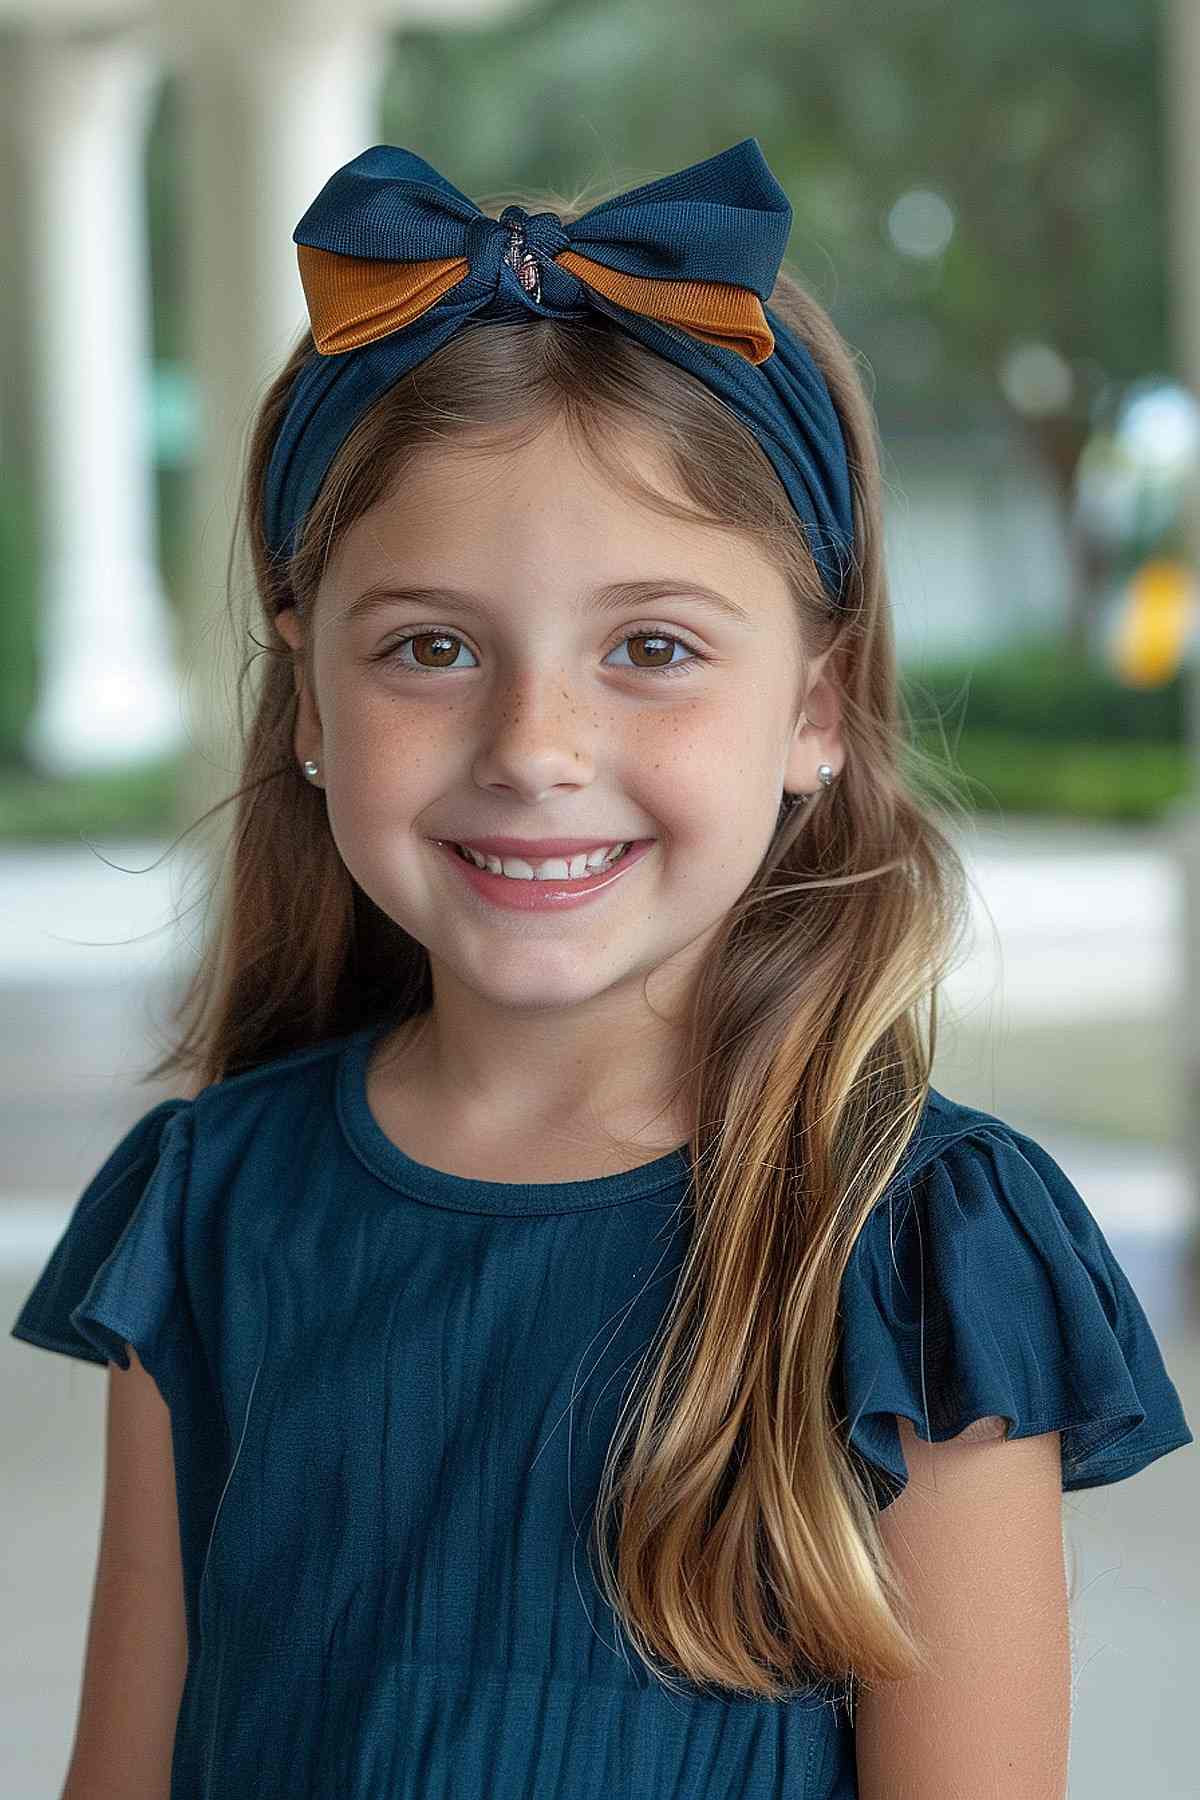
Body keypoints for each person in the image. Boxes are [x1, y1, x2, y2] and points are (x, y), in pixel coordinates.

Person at [11, 138, 1192, 1800]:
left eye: (652, 648)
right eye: (431, 647)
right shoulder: (201, 1213)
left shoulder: (924, 1253)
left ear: (814, 703)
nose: (536, 747)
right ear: (306, 703)